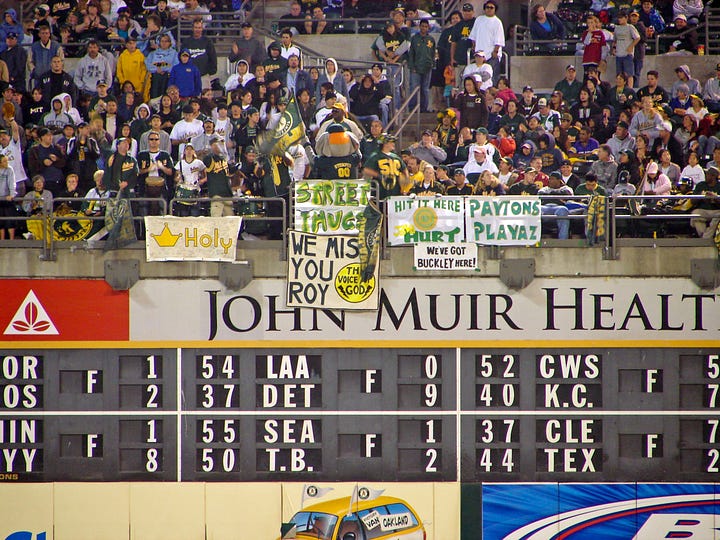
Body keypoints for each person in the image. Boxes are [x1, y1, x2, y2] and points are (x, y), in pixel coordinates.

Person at [362, 133, 408, 199]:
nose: (393, 144)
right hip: (380, 192)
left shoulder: (396, 157)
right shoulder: (375, 156)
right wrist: (378, 175)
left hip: (395, 191)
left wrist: (406, 178)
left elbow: (404, 168)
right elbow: (366, 170)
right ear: (385, 143)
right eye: (391, 142)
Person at [469, 0, 504, 86]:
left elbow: (499, 39)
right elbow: (473, 36)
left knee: (492, 78)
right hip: (479, 55)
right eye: (487, 7)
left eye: (491, 7)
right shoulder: (479, 19)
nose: (489, 9)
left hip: (491, 56)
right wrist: (474, 47)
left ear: (495, 9)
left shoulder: (497, 22)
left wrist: (495, 51)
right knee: (478, 78)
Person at [408, 19, 435, 114]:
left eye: (426, 26)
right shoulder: (415, 38)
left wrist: (432, 65)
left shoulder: (431, 39)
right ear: (419, 27)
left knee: (425, 89)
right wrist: (412, 66)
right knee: (414, 88)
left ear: (428, 28)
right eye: (422, 26)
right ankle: (412, 108)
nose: (424, 28)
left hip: (427, 67)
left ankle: (424, 108)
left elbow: (432, 53)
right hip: (416, 67)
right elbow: (411, 53)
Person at [203, 137, 233, 217]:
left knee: (230, 220)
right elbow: (206, 162)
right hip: (216, 193)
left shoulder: (224, 158)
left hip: (227, 194)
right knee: (216, 219)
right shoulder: (210, 158)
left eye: (221, 144)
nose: (220, 146)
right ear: (212, 146)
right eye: (217, 144)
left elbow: (231, 171)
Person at [539, 171, 573, 239]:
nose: (550, 181)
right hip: (545, 208)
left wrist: (552, 194)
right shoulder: (544, 189)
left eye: (552, 179)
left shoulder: (566, 188)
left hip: (558, 208)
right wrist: (557, 195)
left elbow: (567, 195)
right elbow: (540, 195)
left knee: (563, 210)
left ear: (559, 180)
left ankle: (563, 241)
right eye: (549, 179)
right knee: (536, 210)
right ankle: (534, 240)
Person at [449, 3, 476, 87]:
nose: (467, 13)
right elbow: (454, 43)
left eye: (469, 11)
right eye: (465, 11)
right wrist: (452, 58)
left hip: (473, 59)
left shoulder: (477, 23)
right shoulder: (458, 26)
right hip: (460, 59)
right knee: (459, 83)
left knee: (472, 82)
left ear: (473, 12)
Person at [691, 165, 720, 238]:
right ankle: (705, 237)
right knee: (695, 214)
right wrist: (701, 196)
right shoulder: (700, 185)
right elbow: (692, 201)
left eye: (707, 174)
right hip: (703, 210)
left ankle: (705, 238)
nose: (705, 175)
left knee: (718, 217)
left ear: (713, 176)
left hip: (716, 211)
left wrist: (715, 198)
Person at [614, 10, 641, 89]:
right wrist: (614, 48)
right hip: (619, 54)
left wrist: (631, 46)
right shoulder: (617, 28)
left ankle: (630, 89)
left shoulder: (630, 27)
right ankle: (620, 88)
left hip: (627, 54)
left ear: (626, 18)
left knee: (629, 74)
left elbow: (637, 38)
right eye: (619, 18)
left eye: (621, 18)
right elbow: (615, 40)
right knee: (619, 74)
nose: (619, 20)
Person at [0, 153, 15, 239]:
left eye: (7, 161)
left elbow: (12, 183)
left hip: (7, 198)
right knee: (1, 221)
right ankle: (2, 240)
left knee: (10, 220)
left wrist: (11, 194)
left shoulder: (9, 170)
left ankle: (11, 240)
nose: (7, 162)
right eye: (4, 161)